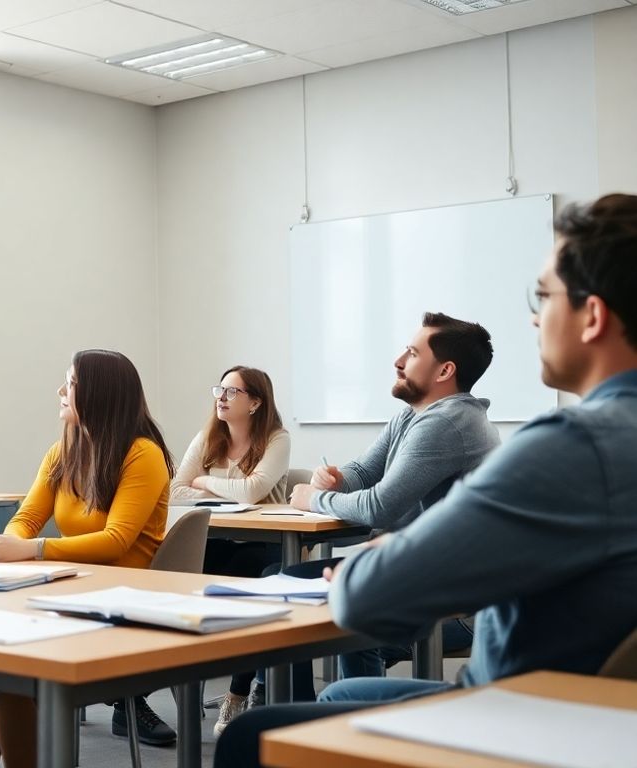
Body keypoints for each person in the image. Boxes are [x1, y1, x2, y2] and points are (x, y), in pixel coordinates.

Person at [215, 193, 637, 768]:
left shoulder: (570, 445)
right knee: (341, 695)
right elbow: (371, 487)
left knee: (253, 738)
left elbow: (372, 594)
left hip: (523, 716)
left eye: (542, 296)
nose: (536, 317)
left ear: (592, 316)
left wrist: (392, 546)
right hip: (599, 717)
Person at [0, 350, 176, 767]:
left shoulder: (142, 453)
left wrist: (35, 549)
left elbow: (116, 540)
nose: (61, 390)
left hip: (122, 601)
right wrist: (12, 540)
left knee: (8, 681)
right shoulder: (63, 452)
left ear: (100, 394)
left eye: (71, 383)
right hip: (68, 590)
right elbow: (27, 517)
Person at [279, 313, 499, 689]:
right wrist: (335, 479)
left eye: (412, 353)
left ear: (445, 370)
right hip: (411, 576)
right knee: (285, 585)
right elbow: (365, 472)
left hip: (457, 610)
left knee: (308, 598)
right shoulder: (412, 416)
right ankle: (310, 717)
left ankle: (335, 721)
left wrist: (315, 499)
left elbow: (379, 507)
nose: (398, 361)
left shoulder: (447, 423)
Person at [170, 366, 293, 733]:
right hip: (218, 539)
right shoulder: (208, 436)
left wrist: (205, 481)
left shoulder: (277, 439)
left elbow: (253, 492)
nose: (220, 398)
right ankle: (192, 683)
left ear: (255, 402)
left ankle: (237, 694)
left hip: (271, 544)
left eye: (232, 392)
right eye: (219, 390)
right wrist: (222, 488)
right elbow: (175, 491)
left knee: (244, 570)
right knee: (178, 574)